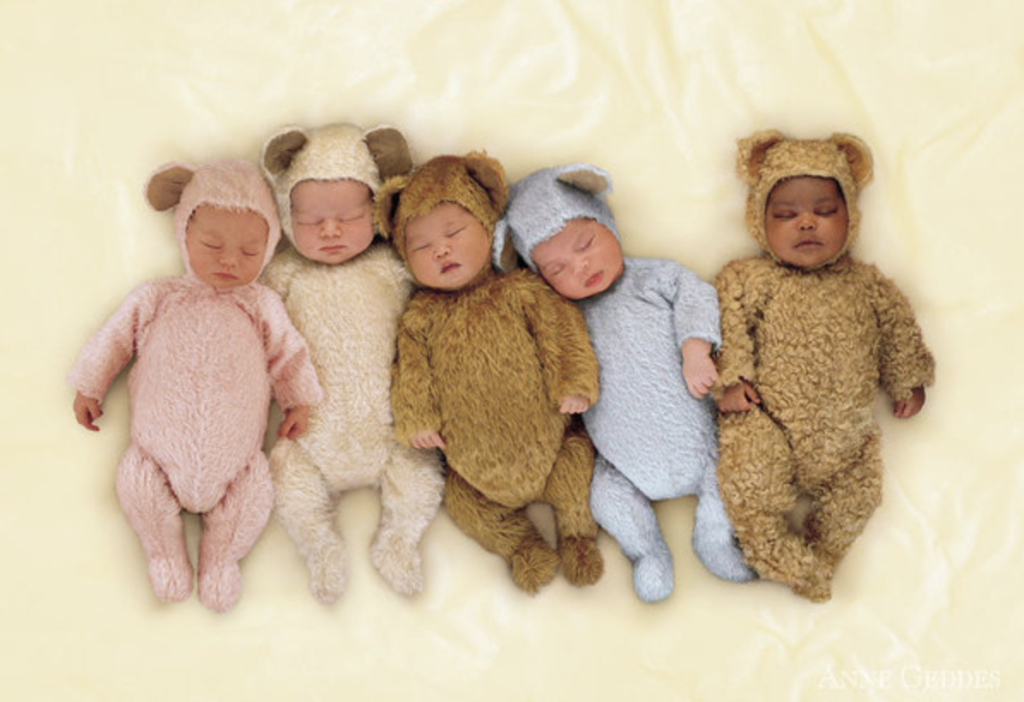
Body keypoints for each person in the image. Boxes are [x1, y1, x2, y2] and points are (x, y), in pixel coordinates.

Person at [70, 159, 321, 612]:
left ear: (269, 251)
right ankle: (165, 554)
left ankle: (221, 561)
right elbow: (113, 339)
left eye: (249, 253)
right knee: (136, 484)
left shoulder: (261, 304)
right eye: (212, 244)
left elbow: (289, 353)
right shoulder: (158, 297)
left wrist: (298, 400)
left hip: (238, 461)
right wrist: (91, 384)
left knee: (256, 493)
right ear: (184, 233)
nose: (229, 260)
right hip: (156, 452)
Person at [497, 163, 754, 603]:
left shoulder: (654, 277)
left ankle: (713, 537)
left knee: (735, 465)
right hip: (623, 464)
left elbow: (696, 296)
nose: (580, 267)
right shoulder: (564, 320)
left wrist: (695, 349)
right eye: (557, 269)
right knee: (604, 495)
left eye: (587, 244)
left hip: (702, 440)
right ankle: (647, 551)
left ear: (607, 222)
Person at [714, 131, 935, 601]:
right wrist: (731, 381)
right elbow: (726, 324)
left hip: (847, 440)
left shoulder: (867, 285)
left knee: (861, 495)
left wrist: (908, 379)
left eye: (825, 211)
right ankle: (780, 555)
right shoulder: (750, 278)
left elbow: (899, 330)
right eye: (787, 215)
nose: (807, 224)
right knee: (748, 487)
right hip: (768, 424)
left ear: (850, 217)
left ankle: (820, 559)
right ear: (759, 220)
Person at [377, 152, 604, 594]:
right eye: (420, 246)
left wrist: (574, 383)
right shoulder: (419, 317)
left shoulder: (519, 290)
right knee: (463, 506)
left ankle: (577, 536)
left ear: (486, 225)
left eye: (454, 232)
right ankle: (521, 546)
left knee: (577, 471)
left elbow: (561, 333)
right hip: (475, 474)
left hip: (552, 448)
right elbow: (410, 374)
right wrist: (417, 420)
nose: (440, 249)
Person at [259, 122, 443, 602]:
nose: (331, 230)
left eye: (347, 216)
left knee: (421, 478)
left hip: (393, 431)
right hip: (310, 436)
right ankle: (320, 549)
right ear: (285, 216)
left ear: (378, 213)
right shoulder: (284, 272)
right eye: (312, 220)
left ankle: (398, 542)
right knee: (285, 481)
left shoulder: (392, 265)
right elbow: (252, 331)